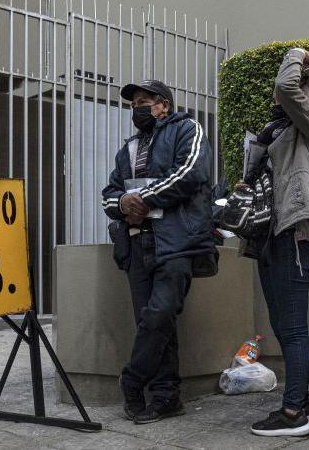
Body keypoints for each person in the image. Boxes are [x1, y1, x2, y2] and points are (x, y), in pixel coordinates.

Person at [102, 79, 214, 424]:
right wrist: (123, 202)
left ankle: (133, 380)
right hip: (136, 243)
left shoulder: (187, 129)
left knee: (160, 314)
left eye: (144, 100)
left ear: (164, 104)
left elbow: (191, 173)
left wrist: (143, 198)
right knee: (149, 322)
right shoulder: (129, 148)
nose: (137, 107)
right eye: (134, 102)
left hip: (176, 239)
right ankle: (166, 397)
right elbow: (110, 192)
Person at [248, 48, 309, 437]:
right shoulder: (278, 131)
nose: (280, 95)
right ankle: (303, 401)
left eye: (298, 89)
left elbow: (286, 86)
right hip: (268, 233)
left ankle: (292, 415)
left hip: (296, 233)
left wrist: (296, 55)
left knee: (294, 327)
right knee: (281, 325)